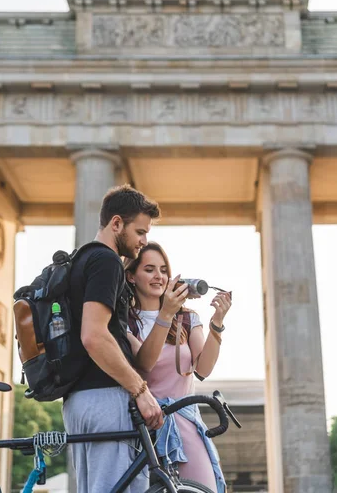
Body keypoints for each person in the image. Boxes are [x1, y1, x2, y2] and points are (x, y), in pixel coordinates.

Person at [63, 185, 163, 493]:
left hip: (79, 400)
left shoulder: (79, 260)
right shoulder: (106, 261)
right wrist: (140, 390)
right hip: (106, 398)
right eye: (140, 231)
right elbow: (94, 335)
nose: (144, 241)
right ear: (116, 223)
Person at [125, 242, 232, 492]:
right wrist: (165, 314)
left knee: (201, 487)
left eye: (163, 270)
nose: (159, 276)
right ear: (131, 276)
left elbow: (203, 369)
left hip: (184, 422)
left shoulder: (186, 317)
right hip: (145, 424)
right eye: (149, 269)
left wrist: (217, 322)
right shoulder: (125, 322)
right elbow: (144, 364)